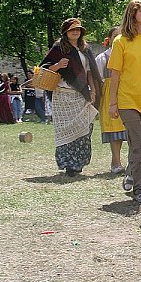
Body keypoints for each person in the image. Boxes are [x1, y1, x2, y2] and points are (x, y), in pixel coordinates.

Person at [107, 0, 141, 203]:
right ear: (132, 15)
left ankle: (130, 171)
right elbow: (115, 75)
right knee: (137, 145)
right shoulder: (120, 41)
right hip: (127, 100)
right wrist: (113, 103)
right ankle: (140, 190)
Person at [41, 18, 101, 176]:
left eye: (78, 29)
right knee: (65, 129)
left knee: (85, 127)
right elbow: (44, 68)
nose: (76, 32)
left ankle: (79, 161)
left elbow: (89, 72)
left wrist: (93, 90)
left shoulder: (85, 49)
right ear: (65, 32)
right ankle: (69, 163)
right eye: (72, 29)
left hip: (81, 93)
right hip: (62, 94)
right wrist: (58, 65)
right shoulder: (58, 48)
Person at [95, 26, 128, 174]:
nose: (118, 38)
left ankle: (130, 162)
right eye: (115, 35)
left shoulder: (128, 54)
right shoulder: (103, 58)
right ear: (109, 40)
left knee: (128, 129)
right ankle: (116, 161)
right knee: (114, 128)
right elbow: (98, 79)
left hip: (127, 91)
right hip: (110, 93)